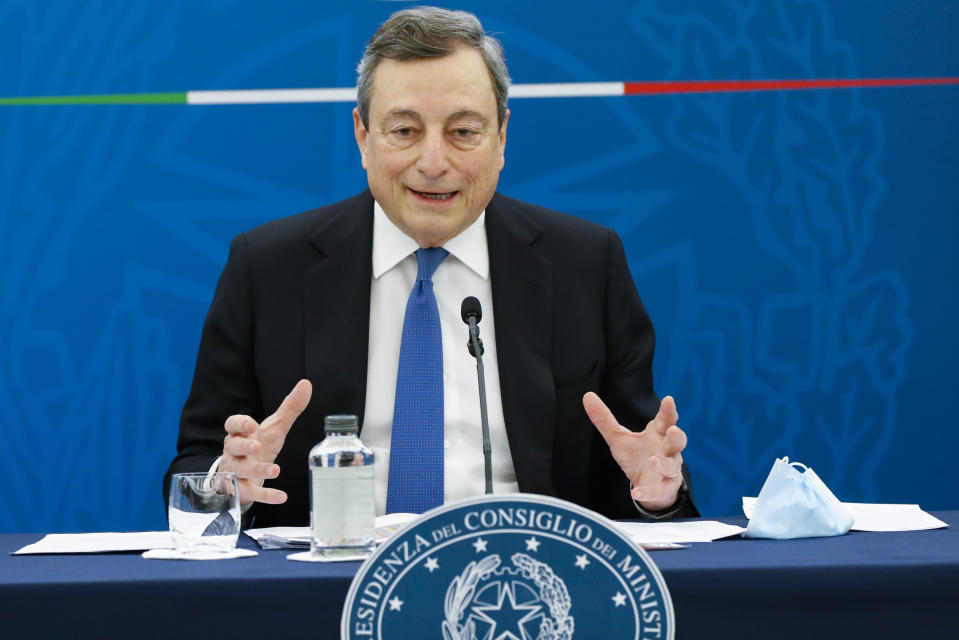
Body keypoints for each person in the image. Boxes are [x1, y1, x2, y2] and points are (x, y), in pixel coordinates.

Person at [164, 6, 698, 527]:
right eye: (405, 131)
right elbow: (197, 464)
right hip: (326, 588)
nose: (434, 162)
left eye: (464, 131)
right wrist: (226, 482)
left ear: (502, 137)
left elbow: (640, 469)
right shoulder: (269, 268)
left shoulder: (584, 263)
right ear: (363, 136)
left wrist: (652, 493)